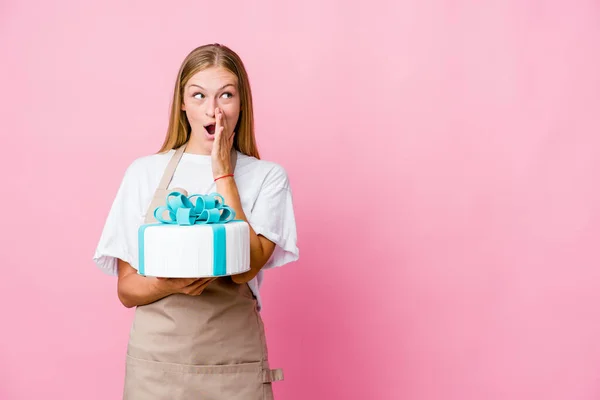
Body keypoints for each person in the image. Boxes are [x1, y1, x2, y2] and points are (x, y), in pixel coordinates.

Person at [93, 43, 299, 399]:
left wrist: (223, 175)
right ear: (183, 103)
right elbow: (127, 290)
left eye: (226, 95)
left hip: (233, 366)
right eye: (199, 95)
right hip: (156, 369)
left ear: (241, 104)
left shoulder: (268, 177)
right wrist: (174, 284)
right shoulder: (144, 172)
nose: (213, 109)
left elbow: (245, 268)